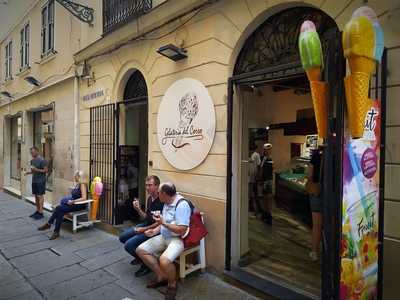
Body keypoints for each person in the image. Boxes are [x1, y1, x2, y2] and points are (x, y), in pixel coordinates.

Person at [136, 183, 191, 300]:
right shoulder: (166, 202)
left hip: (177, 239)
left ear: (165, 194)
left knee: (164, 261)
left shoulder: (182, 205)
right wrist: (154, 231)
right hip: (164, 236)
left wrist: (163, 224)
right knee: (140, 250)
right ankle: (162, 276)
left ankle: (172, 284)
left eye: (159, 193)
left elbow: (182, 230)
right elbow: (163, 223)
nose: (157, 194)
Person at [119, 175, 164, 277]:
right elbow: (146, 217)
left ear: (157, 186)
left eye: (150, 185)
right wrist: (138, 209)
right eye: (146, 185)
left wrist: (143, 229)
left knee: (129, 245)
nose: (147, 188)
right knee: (122, 237)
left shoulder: (162, 201)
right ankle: (141, 258)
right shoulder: (149, 198)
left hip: (154, 230)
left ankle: (146, 265)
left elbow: (160, 223)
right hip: (146, 225)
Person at [37, 171, 88, 240]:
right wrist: (68, 200)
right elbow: (74, 195)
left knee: (59, 208)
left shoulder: (83, 184)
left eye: (75, 176)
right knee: (60, 210)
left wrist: (73, 201)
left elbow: (84, 198)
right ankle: (55, 231)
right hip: (73, 203)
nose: (74, 177)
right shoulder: (78, 184)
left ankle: (49, 224)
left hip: (79, 205)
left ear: (79, 177)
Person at [307, 146, 324, 261]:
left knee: (316, 226)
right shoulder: (337, 153)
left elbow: (309, 174)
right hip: (332, 194)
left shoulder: (316, 155)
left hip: (317, 192)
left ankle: (314, 252)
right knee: (330, 225)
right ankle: (329, 251)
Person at [25, 146, 48, 220]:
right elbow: (33, 171)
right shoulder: (32, 161)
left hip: (41, 181)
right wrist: (28, 173)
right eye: (31, 152)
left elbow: (45, 171)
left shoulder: (42, 160)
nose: (32, 154)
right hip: (34, 180)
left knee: (39, 196)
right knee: (35, 196)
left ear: (37, 151)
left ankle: (41, 212)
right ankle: (37, 211)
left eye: (33, 152)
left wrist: (36, 169)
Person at [259, 143, 274, 225]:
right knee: (266, 197)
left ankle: (267, 214)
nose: (268, 151)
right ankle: (267, 214)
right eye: (266, 149)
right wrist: (261, 179)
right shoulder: (264, 158)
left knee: (268, 197)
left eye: (269, 149)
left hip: (269, 180)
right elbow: (261, 169)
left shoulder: (269, 158)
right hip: (266, 180)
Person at [249, 143, 262, 217]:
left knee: (254, 193)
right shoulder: (251, 155)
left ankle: (256, 209)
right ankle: (254, 208)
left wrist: (258, 175)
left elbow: (258, 165)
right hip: (251, 177)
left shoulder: (256, 155)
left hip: (254, 177)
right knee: (253, 192)